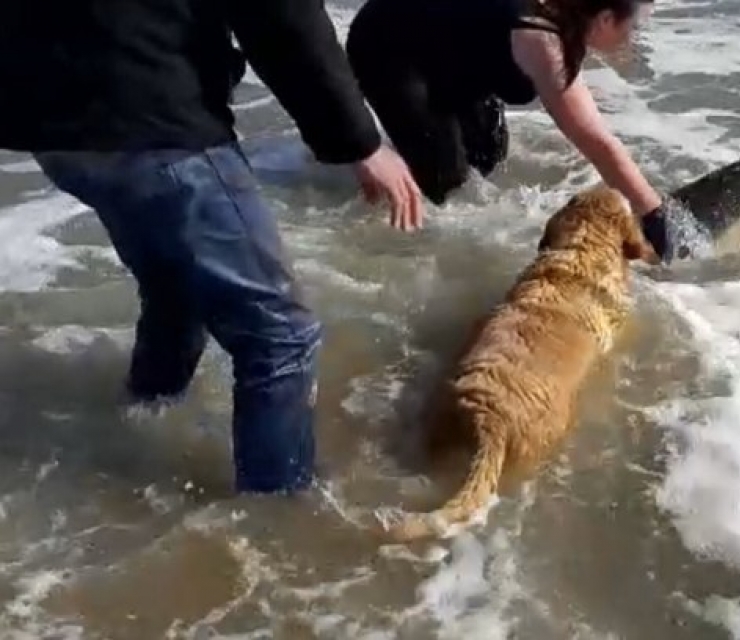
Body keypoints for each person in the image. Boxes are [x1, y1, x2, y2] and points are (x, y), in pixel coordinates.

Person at [0, 0, 425, 495]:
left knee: (174, 291)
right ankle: (277, 521)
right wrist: (360, 144)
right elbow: (280, 18)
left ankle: (142, 415)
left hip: (50, 124)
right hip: (149, 115)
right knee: (280, 333)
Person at [345, 0, 690, 264]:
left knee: (488, 158)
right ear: (603, 19)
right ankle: (373, 230)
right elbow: (599, 145)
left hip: (452, 49)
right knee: (449, 192)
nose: (636, 35)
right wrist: (659, 222)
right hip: (389, 48)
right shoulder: (542, 38)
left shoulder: (566, 15)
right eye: (635, 24)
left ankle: (406, 152)